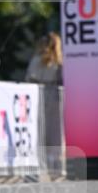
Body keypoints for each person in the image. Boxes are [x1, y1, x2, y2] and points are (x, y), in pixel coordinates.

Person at [26, 32, 65, 171]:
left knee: (46, 129)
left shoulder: (43, 60)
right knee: (53, 131)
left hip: (45, 94)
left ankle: (48, 162)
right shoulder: (58, 61)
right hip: (52, 95)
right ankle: (54, 163)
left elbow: (29, 77)